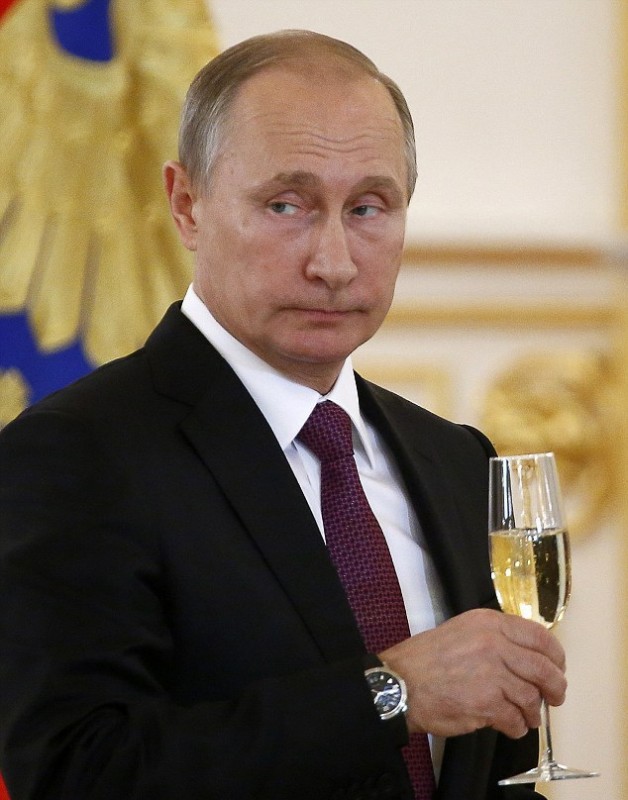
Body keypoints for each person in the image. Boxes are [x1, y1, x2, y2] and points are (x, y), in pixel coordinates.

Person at [0, 30, 566, 800]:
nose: (334, 262)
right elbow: (78, 771)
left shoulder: (460, 461)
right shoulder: (75, 453)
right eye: (286, 205)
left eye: (368, 207)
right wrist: (391, 693)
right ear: (186, 205)